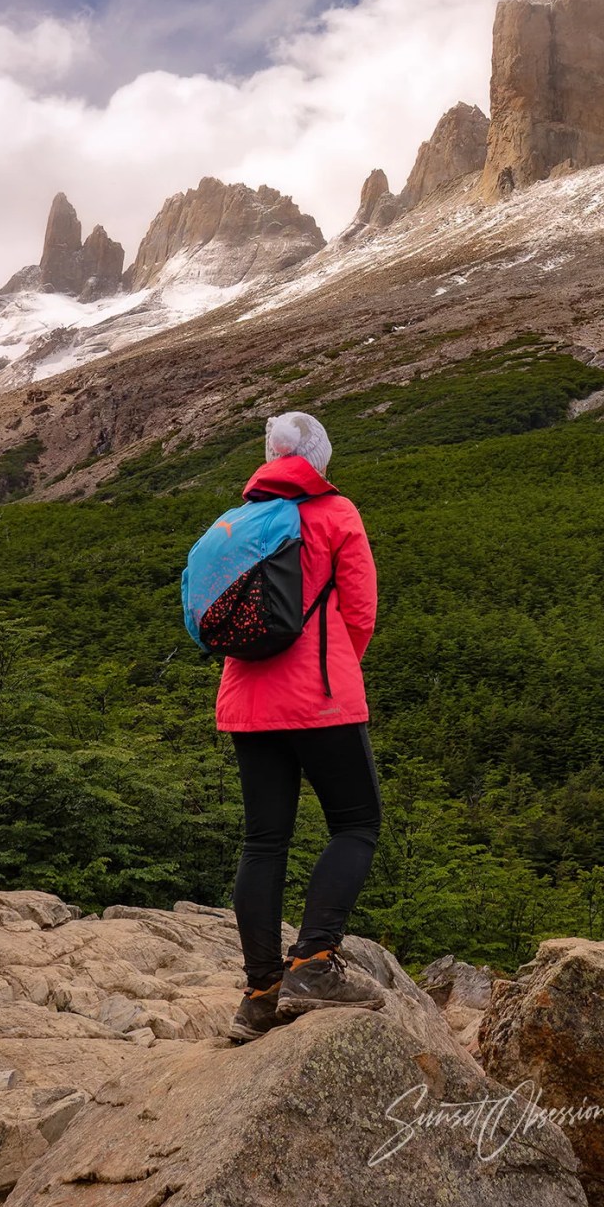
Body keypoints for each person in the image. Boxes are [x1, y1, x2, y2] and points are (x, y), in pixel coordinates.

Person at [218, 411, 384, 1042]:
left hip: (245, 700)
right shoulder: (335, 512)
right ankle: (313, 963)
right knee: (357, 822)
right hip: (318, 695)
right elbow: (361, 611)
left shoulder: (241, 520)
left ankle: (260, 995)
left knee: (264, 842)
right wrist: (337, 671)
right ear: (319, 456)